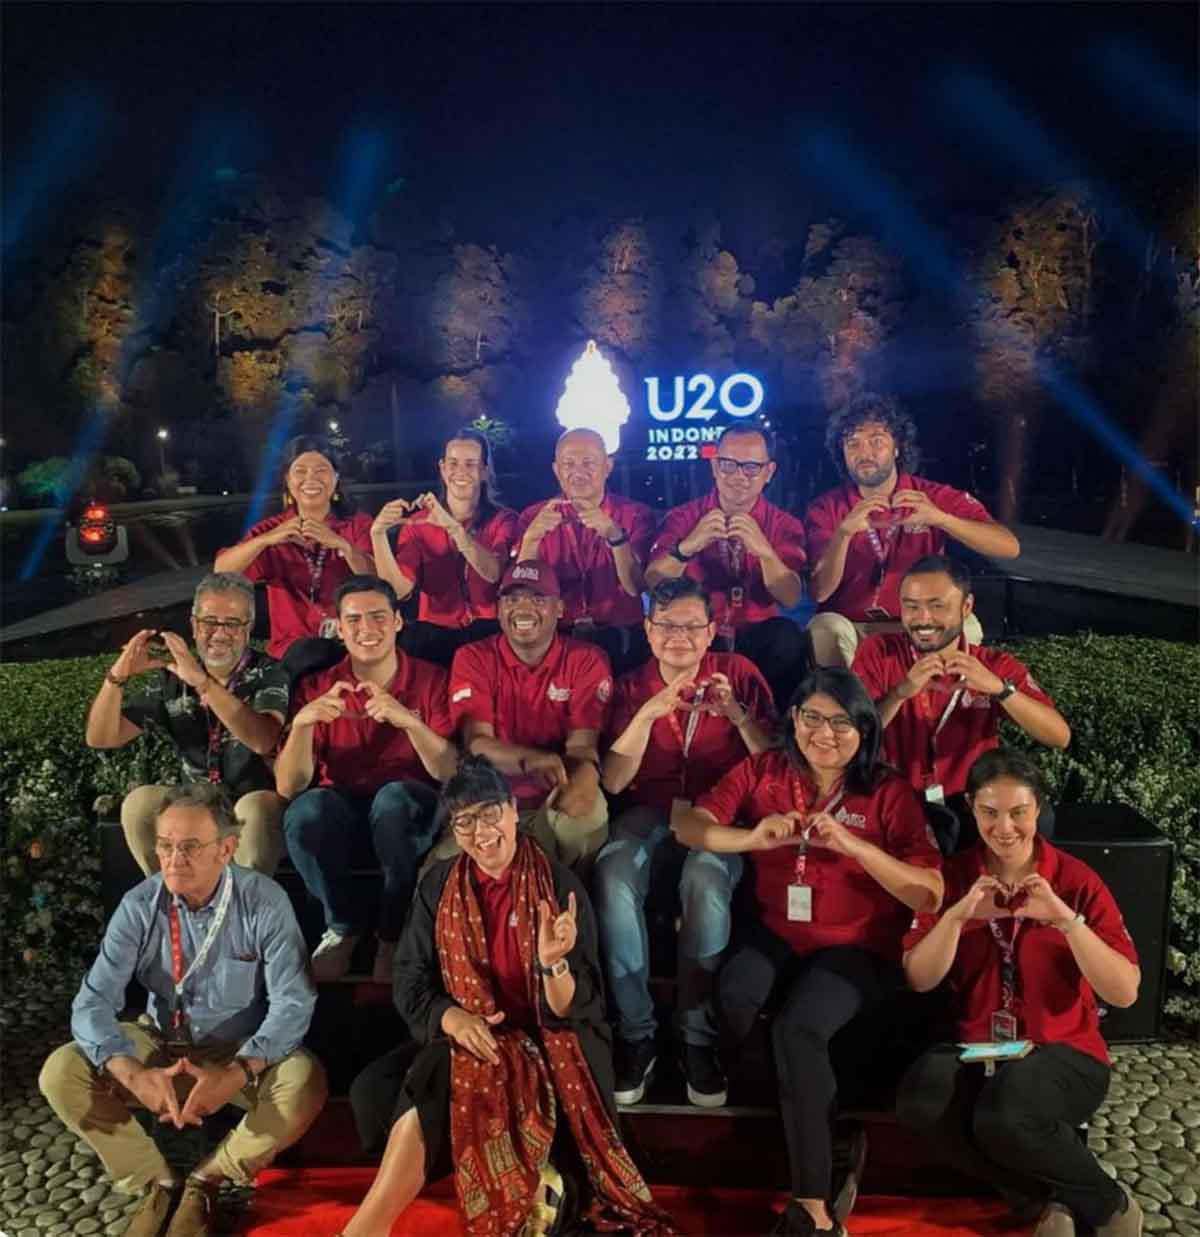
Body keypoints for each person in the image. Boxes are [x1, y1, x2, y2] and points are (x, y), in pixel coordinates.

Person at [337, 755, 677, 1237]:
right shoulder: (439, 885)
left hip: (550, 1042)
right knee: (374, 1090)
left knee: (435, 1072)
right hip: (470, 1032)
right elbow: (410, 977)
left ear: (515, 811)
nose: (481, 832)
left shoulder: (558, 886)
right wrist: (452, 1017)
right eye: (465, 821)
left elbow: (576, 1009)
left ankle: (367, 1228)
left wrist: (553, 962)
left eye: (490, 813)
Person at [675, 668, 943, 1237]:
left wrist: (856, 847)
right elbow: (690, 827)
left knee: (797, 1029)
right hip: (778, 931)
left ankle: (813, 1209)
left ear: (864, 729)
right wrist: (750, 838)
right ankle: (825, 1132)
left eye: (842, 723)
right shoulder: (766, 771)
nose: (825, 734)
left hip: (857, 944)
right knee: (734, 999)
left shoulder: (887, 791)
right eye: (813, 718)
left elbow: (929, 891)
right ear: (794, 720)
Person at [39, 784, 326, 1237]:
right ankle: (156, 1181)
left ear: (226, 849)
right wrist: (132, 1072)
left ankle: (206, 1181)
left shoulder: (263, 901)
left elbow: (293, 1002)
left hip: (233, 1050)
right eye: (165, 846)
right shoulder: (140, 904)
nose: (174, 860)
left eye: (190, 847)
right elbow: (92, 1001)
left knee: (304, 1082)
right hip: (159, 1041)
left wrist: (237, 1071)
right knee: (61, 1072)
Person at [897, 749, 1143, 1237]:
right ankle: (1037, 1199)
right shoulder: (952, 878)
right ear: (971, 809)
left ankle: (1109, 1204)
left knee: (1006, 1112)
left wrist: (1065, 921)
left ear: (1038, 810)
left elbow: (1125, 992)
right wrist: (956, 918)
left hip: (1064, 1049)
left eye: (1018, 812)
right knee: (919, 1101)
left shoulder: (1075, 880)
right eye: (990, 812)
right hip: (981, 1047)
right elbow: (919, 978)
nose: (1004, 827)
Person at [592, 578, 775, 1108]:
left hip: (720, 810)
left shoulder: (739, 674)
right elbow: (613, 782)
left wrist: (738, 715)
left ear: (711, 631)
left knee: (706, 879)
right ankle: (637, 1032)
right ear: (648, 631)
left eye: (692, 626)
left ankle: (698, 1037)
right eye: (667, 626)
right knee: (614, 873)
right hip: (648, 810)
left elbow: (775, 763)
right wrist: (648, 713)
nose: (679, 637)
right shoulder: (631, 685)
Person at [276, 576, 457, 983]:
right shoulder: (318, 685)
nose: (366, 629)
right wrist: (303, 725)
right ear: (339, 629)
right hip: (342, 803)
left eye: (378, 617)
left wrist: (409, 721)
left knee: (394, 802)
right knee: (307, 811)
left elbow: (449, 770)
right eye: (354, 620)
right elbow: (288, 786)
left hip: (408, 803)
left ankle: (392, 932)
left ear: (397, 622)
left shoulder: (431, 679)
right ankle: (343, 926)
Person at [853, 555, 1070, 850]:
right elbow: (854, 735)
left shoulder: (992, 664)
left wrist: (999, 689)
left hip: (970, 801)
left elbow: (1058, 735)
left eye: (937, 606)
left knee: (1037, 819)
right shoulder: (878, 652)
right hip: (897, 796)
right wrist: (901, 692)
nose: (923, 619)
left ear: (966, 607)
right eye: (911, 606)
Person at [86, 573, 288, 876]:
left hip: (252, 804)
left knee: (256, 809)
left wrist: (203, 683)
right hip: (196, 805)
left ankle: (247, 901)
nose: (219, 633)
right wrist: (117, 677)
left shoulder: (270, 672)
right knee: (140, 803)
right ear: (194, 626)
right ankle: (174, 894)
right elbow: (101, 738)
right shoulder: (175, 677)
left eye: (232, 623)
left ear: (248, 629)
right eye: (209, 622)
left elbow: (263, 739)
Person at [805, 393, 1020, 668]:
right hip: (853, 626)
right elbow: (819, 592)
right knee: (824, 628)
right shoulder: (826, 507)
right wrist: (843, 534)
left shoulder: (931, 496)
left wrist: (942, 519)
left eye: (876, 441)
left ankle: (939, 693)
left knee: (968, 626)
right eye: (852, 443)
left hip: (918, 624)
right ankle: (849, 696)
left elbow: (1009, 547)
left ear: (897, 447)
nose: (864, 453)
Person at [447, 559, 613, 870]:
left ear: (559, 608)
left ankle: (570, 890)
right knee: (440, 868)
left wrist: (580, 786)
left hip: (556, 789)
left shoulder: (586, 659)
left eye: (537, 599)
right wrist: (531, 760)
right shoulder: (473, 657)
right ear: (499, 609)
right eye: (512, 599)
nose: (523, 609)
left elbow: (582, 747)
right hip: (489, 793)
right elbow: (477, 743)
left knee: (585, 821)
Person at [645, 424, 809, 707]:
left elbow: (791, 598)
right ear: (714, 466)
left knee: (787, 638)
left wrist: (765, 553)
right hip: (698, 632)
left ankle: (778, 728)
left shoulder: (785, 524)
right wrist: (687, 547)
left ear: (769, 472)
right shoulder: (682, 517)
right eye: (728, 465)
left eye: (751, 467)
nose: (738, 476)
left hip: (758, 633)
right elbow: (652, 584)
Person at [214, 435, 374, 675]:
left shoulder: (357, 524)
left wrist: (342, 545)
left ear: (336, 478)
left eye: (321, 470)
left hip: (353, 639)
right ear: (288, 480)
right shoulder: (272, 530)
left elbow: (376, 580)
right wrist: (266, 540)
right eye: (300, 471)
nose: (311, 478)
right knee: (312, 654)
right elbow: (221, 572)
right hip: (295, 649)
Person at [515, 427, 656, 674]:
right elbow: (522, 588)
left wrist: (615, 535)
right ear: (556, 470)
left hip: (622, 639)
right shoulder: (532, 516)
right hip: (558, 638)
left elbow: (636, 587)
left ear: (608, 466)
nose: (578, 472)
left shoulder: (636, 515)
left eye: (588, 463)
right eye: (568, 463)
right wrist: (531, 540)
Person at [372, 428, 518, 667]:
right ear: (442, 468)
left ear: (484, 471)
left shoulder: (504, 520)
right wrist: (377, 535)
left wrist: (453, 527)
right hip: (435, 632)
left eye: (471, 464)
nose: (461, 471)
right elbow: (399, 590)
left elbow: (493, 572)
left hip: (490, 630)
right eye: (453, 463)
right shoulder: (418, 523)